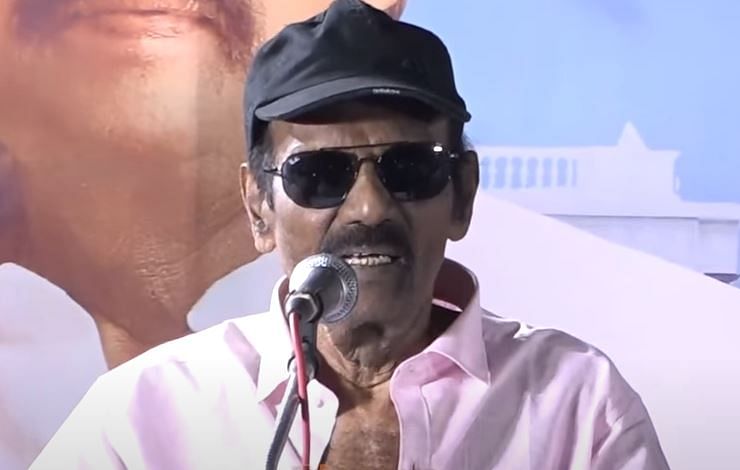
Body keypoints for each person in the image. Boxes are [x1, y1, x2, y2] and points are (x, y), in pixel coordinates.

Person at [31, 1, 670, 469]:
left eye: (410, 169)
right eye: (320, 175)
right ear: (258, 208)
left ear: (462, 195)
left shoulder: (579, 405)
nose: (369, 206)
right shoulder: (146, 412)